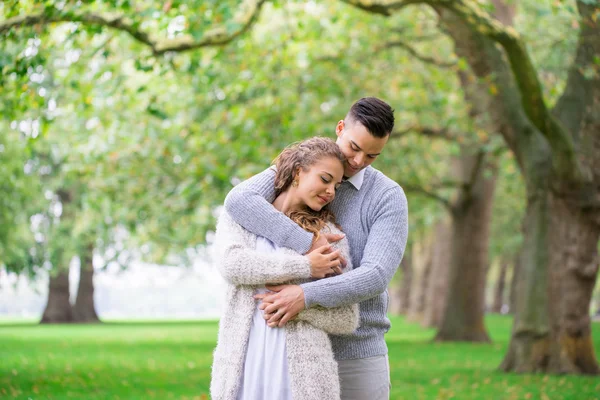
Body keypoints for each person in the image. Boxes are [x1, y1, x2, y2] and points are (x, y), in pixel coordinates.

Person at [223, 97, 408, 399]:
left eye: (372, 155)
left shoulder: (387, 196)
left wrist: (305, 296)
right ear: (340, 128)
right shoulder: (308, 167)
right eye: (354, 147)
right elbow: (239, 201)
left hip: (356, 353)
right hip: (294, 349)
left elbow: (375, 275)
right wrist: (307, 242)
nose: (359, 161)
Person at [210, 137, 360, 400]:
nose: (331, 192)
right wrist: (305, 266)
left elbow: (346, 317)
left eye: (336, 186)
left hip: (305, 380)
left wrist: (299, 307)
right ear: (299, 172)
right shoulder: (241, 217)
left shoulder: (329, 236)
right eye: (325, 179)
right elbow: (232, 265)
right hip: (243, 369)